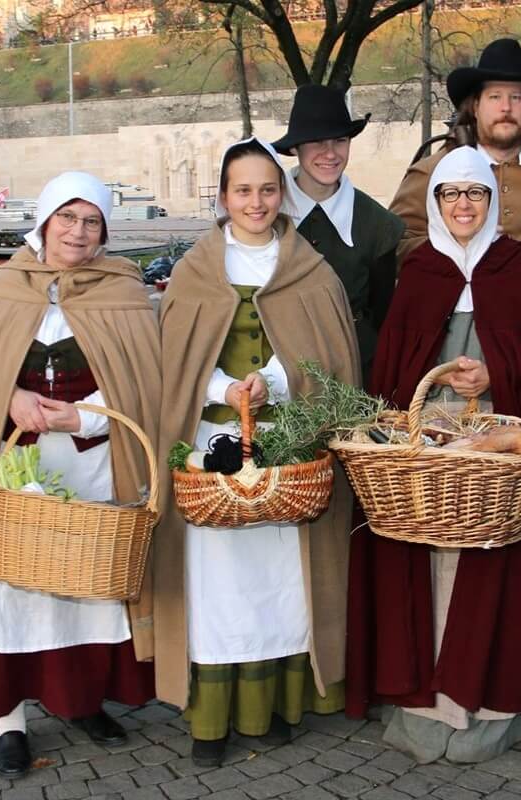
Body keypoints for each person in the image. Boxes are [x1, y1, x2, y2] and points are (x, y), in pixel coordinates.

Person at [0, 172, 161, 778]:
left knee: (89, 588)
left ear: (104, 232)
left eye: (91, 222)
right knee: (10, 590)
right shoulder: (3, 290)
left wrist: (86, 416)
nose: (78, 233)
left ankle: (82, 703)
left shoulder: (123, 290)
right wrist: (8, 398)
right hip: (15, 471)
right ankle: (11, 722)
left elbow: (144, 380)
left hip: (91, 466)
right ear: (46, 220)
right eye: (68, 217)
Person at [346, 146, 521, 763]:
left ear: (492, 200)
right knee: (425, 560)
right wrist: (435, 384)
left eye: (475, 193)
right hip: (429, 453)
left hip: (496, 452)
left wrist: (495, 371)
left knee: (493, 561)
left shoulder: (518, 268)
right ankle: (426, 699)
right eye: (451, 194)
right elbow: (393, 372)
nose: (464, 205)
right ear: (435, 203)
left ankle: (488, 702)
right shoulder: (421, 273)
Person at [153, 137, 361, 767]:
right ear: (222, 197)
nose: (256, 202)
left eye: (268, 189)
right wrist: (222, 386)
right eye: (242, 190)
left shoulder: (309, 268)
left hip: (288, 442)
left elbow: (324, 351)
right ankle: (212, 718)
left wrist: (269, 381)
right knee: (220, 588)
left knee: (282, 579)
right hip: (214, 444)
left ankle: (272, 707)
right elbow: (177, 356)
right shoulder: (195, 268)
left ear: (283, 194)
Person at [272, 84, 404, 385]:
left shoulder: (377, 225)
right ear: (295, 147)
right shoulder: (267, 213)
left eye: (340, 140)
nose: (330, 153)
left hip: (355, 372)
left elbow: (382, 314)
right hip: (280, 373)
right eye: (316, 141)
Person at [390, 38, 521, 261]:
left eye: (516, 97)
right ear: (475, 107)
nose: (506, 107)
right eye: (495, 97)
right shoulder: (430, 174)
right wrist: (457, 246)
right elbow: (395, 245)